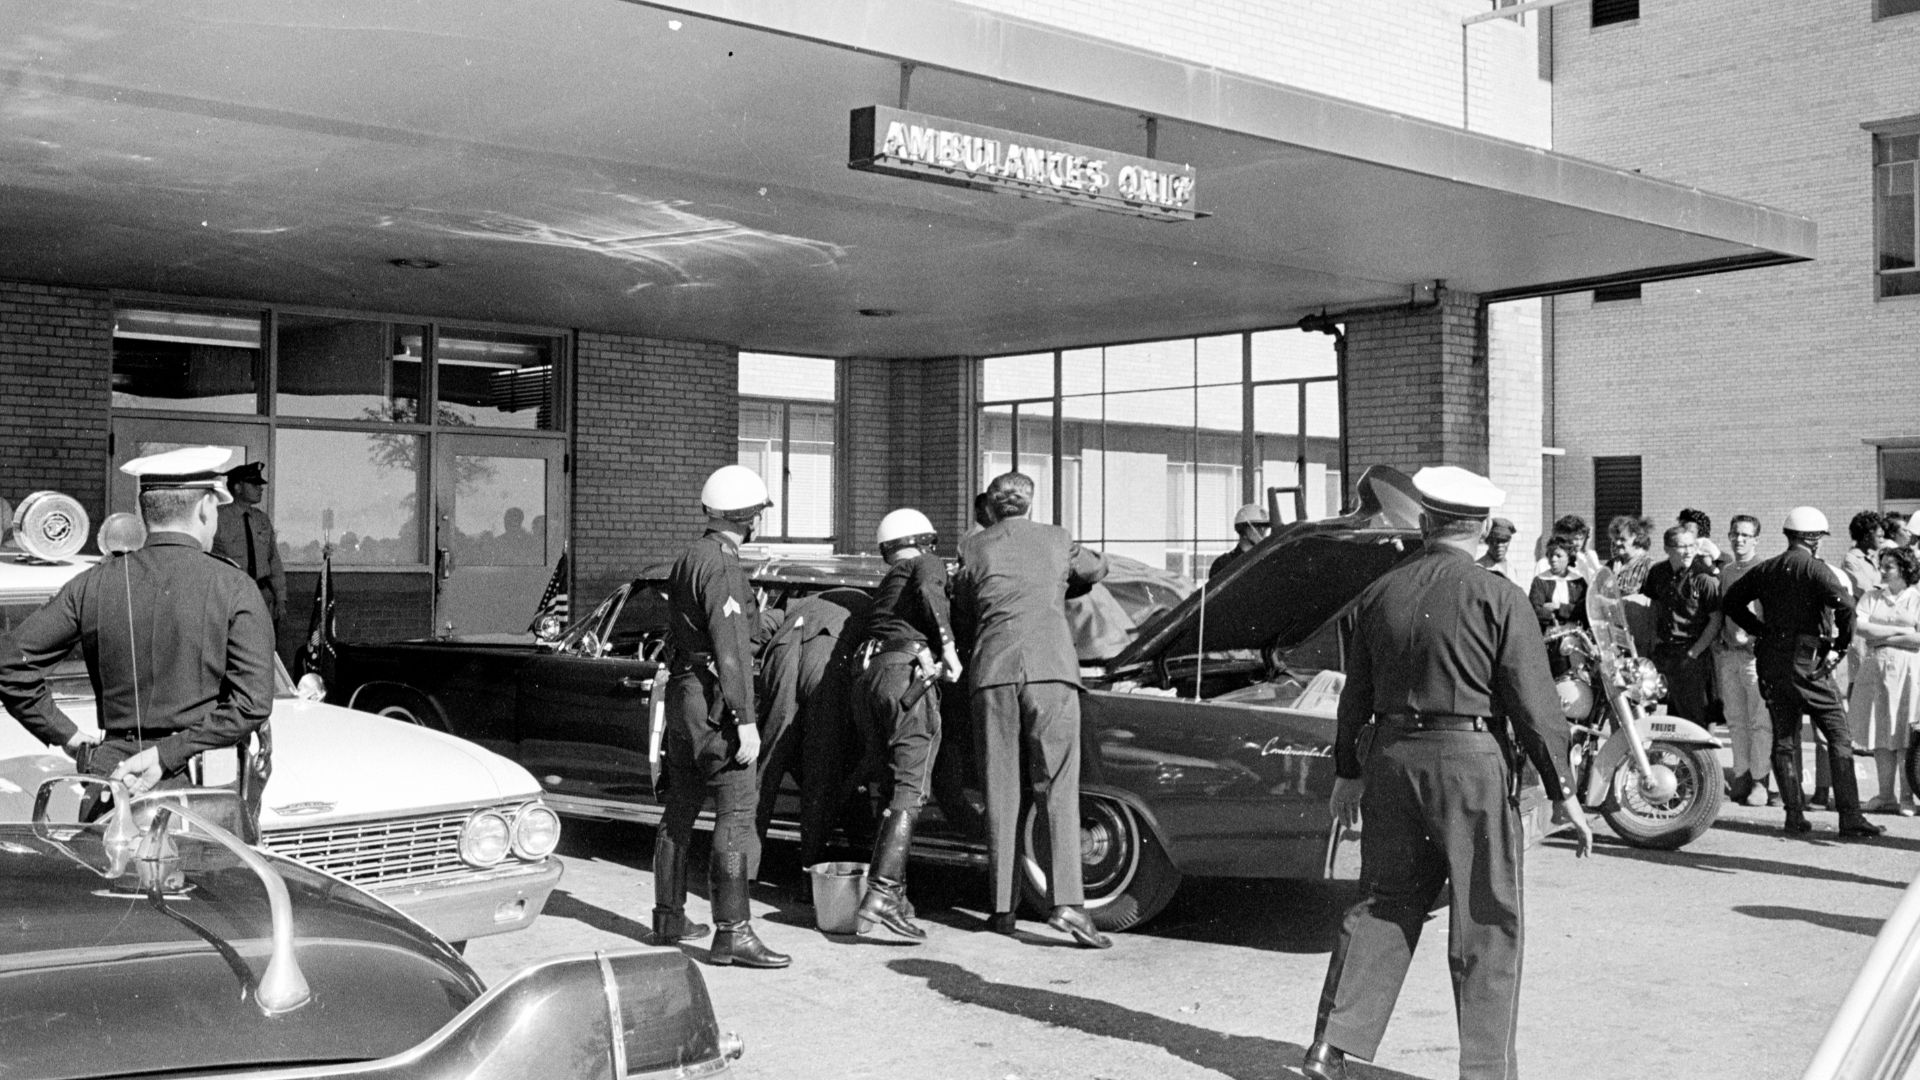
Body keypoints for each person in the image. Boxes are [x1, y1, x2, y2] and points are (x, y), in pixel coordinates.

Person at [1302, 465, 1591, 1080]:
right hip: (1468, 764)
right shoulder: (1499, 595)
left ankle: (1330, 1045)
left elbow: (1356, 695)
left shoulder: (1381, 592)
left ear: (1426, 523)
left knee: (1385, 901)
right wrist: (1563, 791)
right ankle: (1486, 1071)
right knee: (1488, 915)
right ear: (1483, 529)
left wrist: (1348, 770)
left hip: (1389, 758)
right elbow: (1534, 705)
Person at [0, 446, 275, 802]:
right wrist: (169, 753)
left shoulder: (94, 582)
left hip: (114, 778)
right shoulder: (234, 585)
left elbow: (9, 663)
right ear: (206, 508)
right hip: (200, 788)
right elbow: (252, 704)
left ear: (145, 511)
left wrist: (68, 736)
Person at [953, 471, 1111, 948]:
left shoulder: (974, 546)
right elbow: (1097, 570)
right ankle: (1068, 905)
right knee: (1058, 787)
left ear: (993, 507)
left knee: (1000, 788)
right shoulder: (1057, 539)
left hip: (993, 673)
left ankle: (1002, 908)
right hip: (1050, 669)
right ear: (1029, 502)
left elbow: (964, 603)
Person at [653, 464, 789, 967]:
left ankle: (668, 916)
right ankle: (733, 932)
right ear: (749, 517)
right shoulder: (726, 566)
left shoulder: (689, 556)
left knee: (681, 807)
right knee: (735, 809)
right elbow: (731, 648)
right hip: (716, 702)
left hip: (686, 699)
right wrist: (745, 718)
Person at [1721, 506, 1884, 838]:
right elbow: (1846, 606)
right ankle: (1850, 816)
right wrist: (1840, 646)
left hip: (1771, 660)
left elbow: (1732, 601)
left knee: (1784, 739)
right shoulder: (1816, 570)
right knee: (1838, 736)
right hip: (1808, 660)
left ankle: (1794, 815)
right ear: (1813, 539)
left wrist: (1760, 630)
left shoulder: (1766, 569)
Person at [850, 508, 964, 941]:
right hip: (907, 677)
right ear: (927, 540)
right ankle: (880, 894)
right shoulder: (925, 563)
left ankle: (896, 898)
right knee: (911, 788)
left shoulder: (888, 583)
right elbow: (933, 593)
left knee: (891, 785)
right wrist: (950, 649)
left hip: (870, 678)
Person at [753, 588, 869, 877]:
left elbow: (755, 628)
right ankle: (810, 876)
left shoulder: (798, 601)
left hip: (781, 656)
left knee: (765, 769)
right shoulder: (869, 604)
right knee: (821, 771)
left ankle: (742, 872)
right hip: (828, 663)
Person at [1701, 515, 1775, 806]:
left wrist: (1759, 642)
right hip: (1729, 655)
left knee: (1760, 721)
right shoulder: (1727, 571)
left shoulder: (1765, 570)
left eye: (1745, 535)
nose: (1739, 540)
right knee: (1735, 720)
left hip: (1754, 657)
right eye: (1735, 534)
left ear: (1756, 539)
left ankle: (1760, 781)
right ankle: (1741, 776)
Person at [1847, 545, 1920, 815]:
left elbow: (1919, 638)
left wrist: (1883, 635)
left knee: (1904, 735)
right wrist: (1902, 630)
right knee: (1880, 734)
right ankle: (1885, 795)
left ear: (1905, 569)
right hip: (1876, 670)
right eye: (1883, 565)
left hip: (1909, 673)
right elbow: (1861, 627)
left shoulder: (1917, 598)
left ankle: (1907, 798)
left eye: (1890, 566)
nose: (1884, 571)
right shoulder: (1871, 596)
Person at [1641, 525, 1720, 725]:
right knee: (1653, 711)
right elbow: (1653, 606)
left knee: (1693, 718)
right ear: (1667, 548)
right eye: (1681, 546)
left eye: (1691, 546)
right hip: (1662, 652)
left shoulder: (1704, 577)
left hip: (1690, 655)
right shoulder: (1658, 572)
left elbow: (1716, 619)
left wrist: (1694, 652)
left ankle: (1696, 757)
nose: (1687, 551)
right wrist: (1651, 641)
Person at [211, 461, 286, 626]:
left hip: (262, 596)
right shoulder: (217, 518)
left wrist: (280, 598)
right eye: (254, 484)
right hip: (230, 597)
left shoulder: (261, 519)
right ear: (237, 487)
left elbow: (273, 561)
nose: (260, 488)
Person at [1529, 538, 1588, 678]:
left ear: (1569, 558)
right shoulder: (1540, 581)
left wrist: (1557, 608)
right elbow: (1535, 611)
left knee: (1577, 676)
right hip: (1549, 639)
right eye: (1550, 555)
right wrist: (1568, 613)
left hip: (1575, 640)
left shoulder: (1578, 581)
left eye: (1558, 555)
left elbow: (1583, 610)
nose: (1553, 559)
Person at [1208, 502, 1270, 579]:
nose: (1262, 532)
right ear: (1242, 529)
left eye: (1265, 528)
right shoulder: (1223, 564)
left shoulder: (1267, 561)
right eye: (1257, 527)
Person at [1535, 513, 1601, 581]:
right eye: (1575, 539)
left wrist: (1587, 553)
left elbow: (1603, 581)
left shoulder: (1586, 559)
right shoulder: (1544, 564)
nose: (1578, 543)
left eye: (1581, 539)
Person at [1475, 515, 1524, 587]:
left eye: (1504, 541)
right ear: (1488, 541)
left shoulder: (1512, 569)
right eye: (1496, 541)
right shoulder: (1478, 568)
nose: (1500, 545)